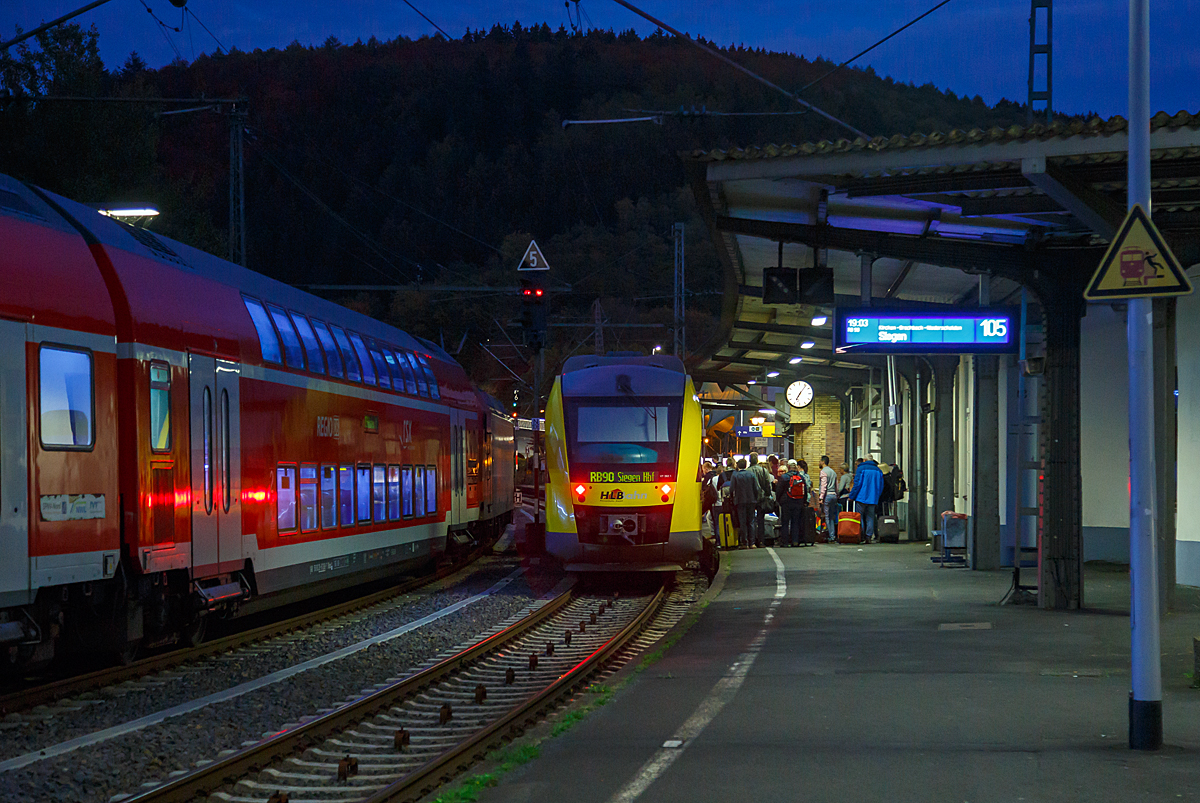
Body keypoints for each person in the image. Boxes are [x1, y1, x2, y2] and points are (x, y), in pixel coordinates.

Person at [849, 456, 885, 542]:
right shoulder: (878, 470)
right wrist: (877, 495)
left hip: (861, 497)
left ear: (864, 460)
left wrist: (852, 496)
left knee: (860, 517)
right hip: (873, 498)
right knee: (870, 517)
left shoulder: (861, 468)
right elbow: (881, 486)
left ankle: (861, 534)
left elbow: (857, 484)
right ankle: (869, 536)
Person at [775, 459, 807, 547]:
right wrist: (803, 502)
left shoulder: (784, 477)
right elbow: (805, 491)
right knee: (795, 522)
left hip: (786, 502)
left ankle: (785, 542)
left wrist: (779, 500)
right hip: (798, 501)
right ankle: (795, 541)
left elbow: (779, 491)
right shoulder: (801, 477)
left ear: (788, 467)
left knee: (785, 522)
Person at [728, 458, 759, 548]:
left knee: (742, 522)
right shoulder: (751, 474)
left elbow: (731, 489)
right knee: (751, 521)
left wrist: (732, 498)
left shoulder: (735, 475)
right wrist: (755, 498)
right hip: (751, 500)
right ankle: (752, 542)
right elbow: (756, 488)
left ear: (737, 465)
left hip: (740, 501)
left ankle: (744, 543)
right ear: (746, 465)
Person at [748, 452, 774, 548]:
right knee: (761, 520)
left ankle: (752, 541)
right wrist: (768, 495)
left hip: (750, 498)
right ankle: (761, 541)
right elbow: (767, 484)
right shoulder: (763, 470)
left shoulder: (747, 471)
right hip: (762, 498)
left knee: (750, 520)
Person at [818, 455, 839, 543]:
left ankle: (831, 536)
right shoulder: (833, 472)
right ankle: (833, 534)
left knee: (827, 516)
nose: (819, 462)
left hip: (827, 496)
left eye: (820, 461)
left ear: (823, 462)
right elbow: (836, 485)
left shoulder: (823, 472)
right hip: (834, 495)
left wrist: (821, 497)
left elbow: (824, 485)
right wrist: (837, 495)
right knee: (832, 516)